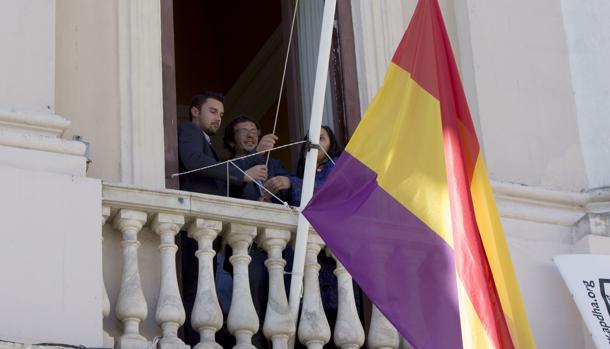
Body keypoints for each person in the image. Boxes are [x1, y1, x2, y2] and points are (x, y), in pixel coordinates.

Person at [177, 92, 275, 347]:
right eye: (212, 111)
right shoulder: (189, 130)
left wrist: (253, 162)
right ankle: (194, 341)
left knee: (202, 289)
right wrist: (244, 173)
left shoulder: (206, 143)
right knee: (195, 289)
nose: (218, 118)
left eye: (221, 114)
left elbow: (218, 181)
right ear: (195, 111)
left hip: (207, 227)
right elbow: (194, 162)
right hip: (194, 223)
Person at [264, 126, 362, 349]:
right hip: (306, 264)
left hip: (332, 262)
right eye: (310, 139)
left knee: (337, 327)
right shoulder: (302, 175)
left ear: (331, 145)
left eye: (321, 138)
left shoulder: (338, 167)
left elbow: (331, 194)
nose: (315, 142)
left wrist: (291, 184)